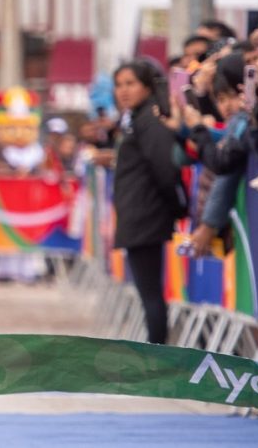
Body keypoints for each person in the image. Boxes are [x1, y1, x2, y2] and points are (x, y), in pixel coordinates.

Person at [112, 60, 185, 345]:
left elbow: (164, 168)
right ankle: (156, 350)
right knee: (148, 292)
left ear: (147, 85)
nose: (123, 91)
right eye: (119, 85)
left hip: (146, 215)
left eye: (130, 83)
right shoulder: (137, 119)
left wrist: (177, 206)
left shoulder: (149, 119)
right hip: (138, 214)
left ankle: (157, 355)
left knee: (151, 293)